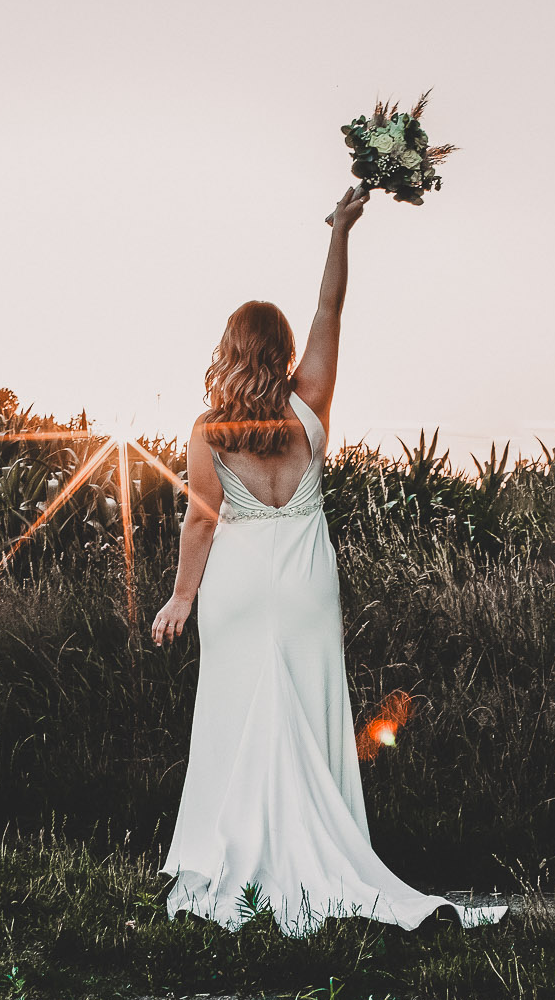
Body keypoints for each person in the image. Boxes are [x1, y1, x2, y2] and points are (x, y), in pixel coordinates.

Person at [149, 185, 507, 937]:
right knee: (308, 718)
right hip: (309, 578)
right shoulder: (310, 401)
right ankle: (326, 854)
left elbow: (199, 522)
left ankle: (235, 862)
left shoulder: (209, 428)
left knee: (238, 714)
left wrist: (181, 598)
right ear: (281, 352)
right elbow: (329, 311)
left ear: (229, 349)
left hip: (240, 586)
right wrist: (340, 231)